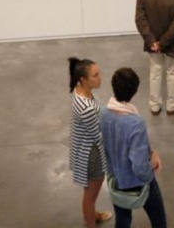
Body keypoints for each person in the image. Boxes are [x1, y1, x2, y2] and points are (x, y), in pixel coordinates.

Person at [100, 68, 167, 228]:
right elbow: (139, 166)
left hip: (116, 178)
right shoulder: (135, 123)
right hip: (137, 181)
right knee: (159, 220)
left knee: (122, 220)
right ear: (135, 91)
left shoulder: (103, 113)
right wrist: (152, 165)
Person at [67, 57, 112, 227]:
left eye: (99, 73)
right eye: (95, 75)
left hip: (85, 147)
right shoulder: (85, 106)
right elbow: (97, 135)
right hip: (91, 154)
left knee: (89, 192)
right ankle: (91, 222)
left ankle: (92, 215)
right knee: (90, 194)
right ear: (82, 79)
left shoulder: (80, 90)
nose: (100, 78)